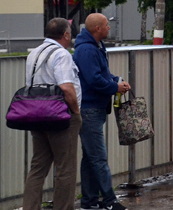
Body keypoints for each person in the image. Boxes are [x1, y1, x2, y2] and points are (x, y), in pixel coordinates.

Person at [22, 18, 81, 210]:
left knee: (38, 167)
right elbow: (66, 87)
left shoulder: (34, 53)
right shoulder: (61, 54)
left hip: (36, 115)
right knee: (65, 168)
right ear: (65, 34)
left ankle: (30, 207)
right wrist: (76, 112)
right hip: (60, 116)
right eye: (69, 33)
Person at [74, 13, 130, 210]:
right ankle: (110, 200)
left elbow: (102, 75)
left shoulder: (96, 46)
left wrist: (115, 80)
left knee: (90, 158)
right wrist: (114, 87)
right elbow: (94, 80)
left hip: (95, 109)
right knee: (98, 157)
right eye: (106, 25)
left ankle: (89, 201)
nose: (109, 27)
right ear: (97, 28)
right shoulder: (87, 50)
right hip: (89, 109)